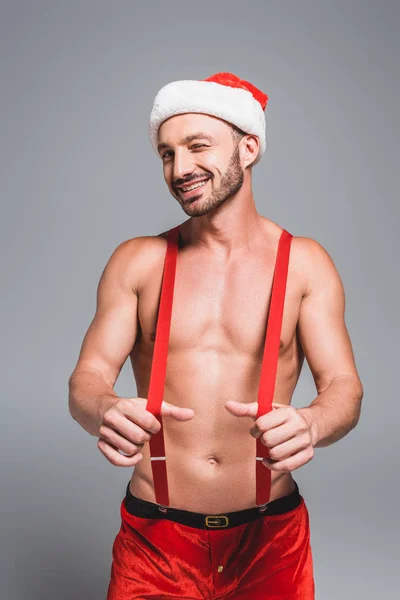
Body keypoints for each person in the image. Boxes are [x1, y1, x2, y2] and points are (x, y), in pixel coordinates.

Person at [68, 72, 363, 599]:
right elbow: (87, 379)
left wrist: (314, 423)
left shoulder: (305, 265)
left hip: (270, 540)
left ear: (248, 148)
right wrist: (104, 408)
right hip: (153, 542)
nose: (179, 169)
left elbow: (344, 385)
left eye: (197, 146)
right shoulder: (138, 262)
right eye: (166, 153)